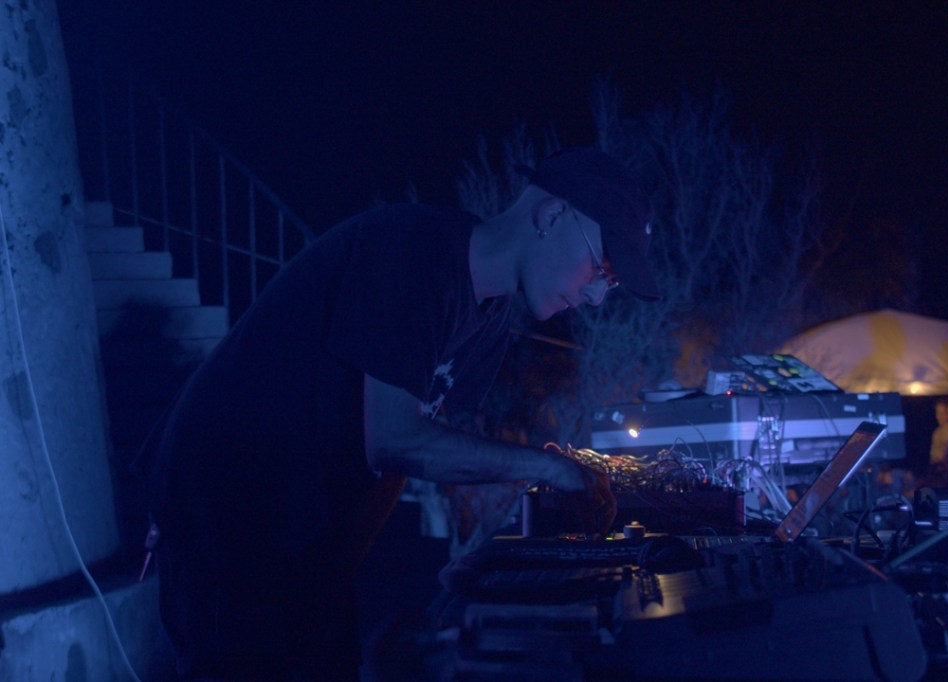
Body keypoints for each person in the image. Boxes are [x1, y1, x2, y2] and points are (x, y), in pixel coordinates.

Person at [139, 147, 661, 680]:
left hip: (302, 539)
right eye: (602, 267)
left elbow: (410, 452)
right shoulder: (413, 251)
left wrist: (463, 565)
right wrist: (550, 467)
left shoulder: (490, 319)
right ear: (552, 215)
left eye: (611, 283)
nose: (597, 296)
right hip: (229, 519)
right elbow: (394, 438)